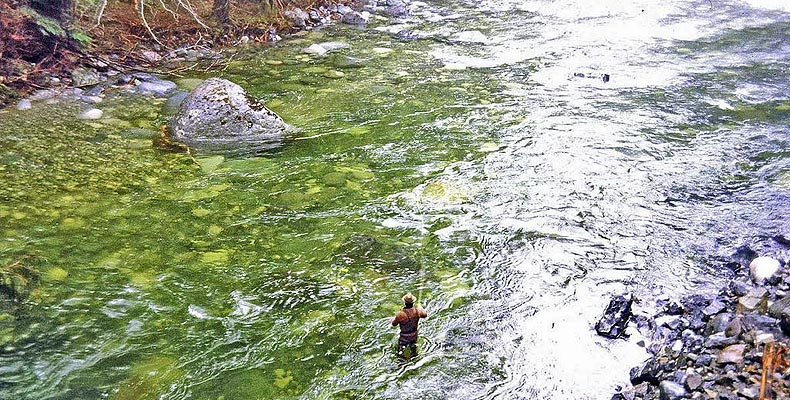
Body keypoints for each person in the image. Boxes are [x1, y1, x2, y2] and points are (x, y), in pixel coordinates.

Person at [391, 292, 427, 358]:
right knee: (414, 354)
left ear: (404, 302)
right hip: (413, 337)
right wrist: (420, 307)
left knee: (400, 356)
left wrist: (396, 316)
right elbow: (424, 315)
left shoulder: (400, 314)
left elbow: (393, 324)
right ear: (413, 302)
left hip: (404, 339)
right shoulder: (417, 311)